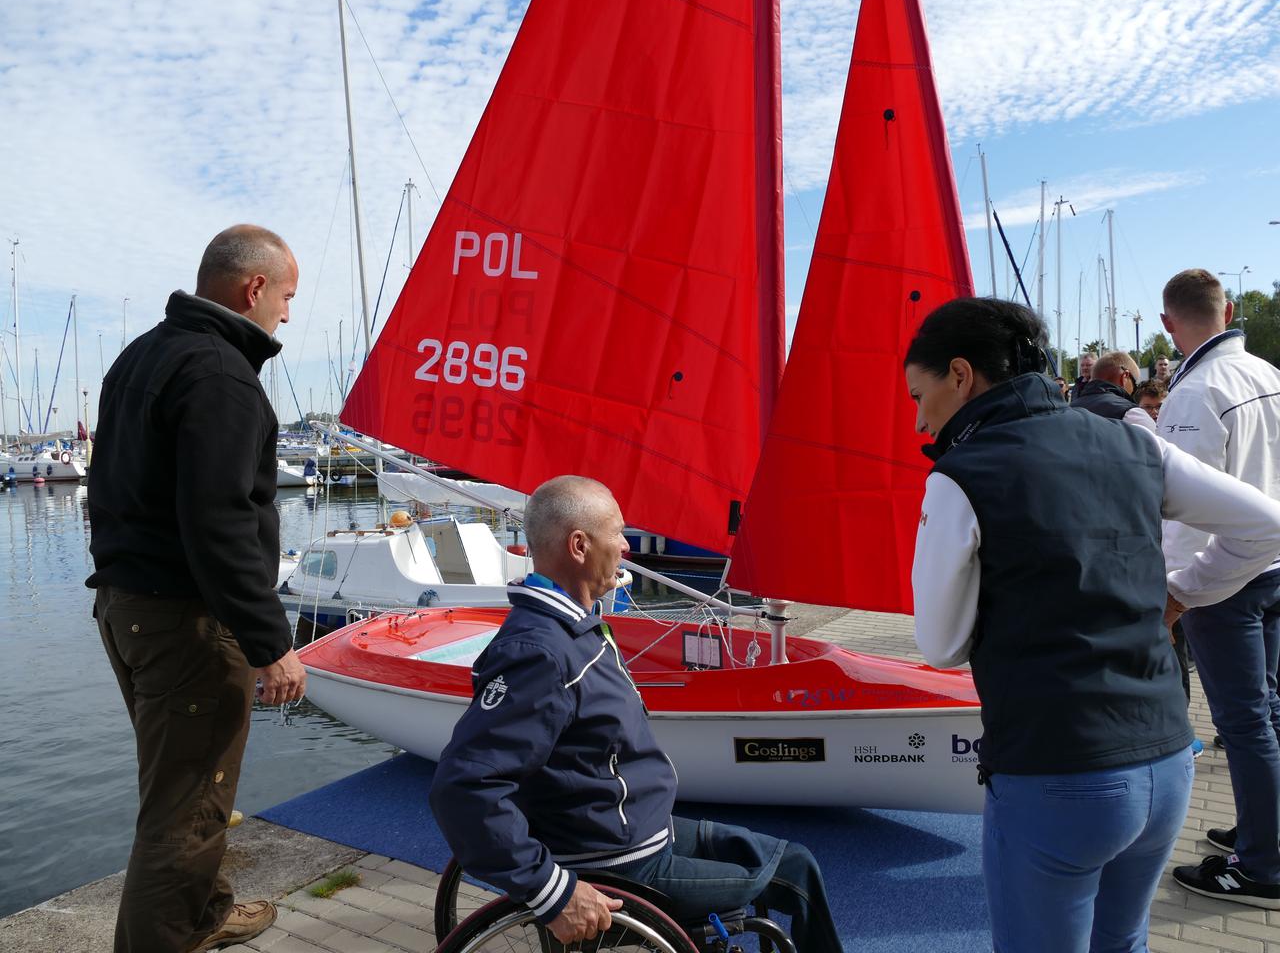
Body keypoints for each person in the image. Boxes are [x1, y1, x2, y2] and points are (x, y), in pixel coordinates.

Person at [905, 297, 1280, 948]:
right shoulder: (1134, 443)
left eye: (919, 393)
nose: (919, 417)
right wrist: (1180, 595)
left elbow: (940, 645)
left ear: (961, 375)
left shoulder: (961, 475)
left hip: (1057, 772)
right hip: (1166, 763)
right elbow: (1266, 525)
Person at [431, 475, 843, 951]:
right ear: (579, 545)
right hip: (621, 862)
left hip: (644, 829)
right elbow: (463, 787)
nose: (627, 546)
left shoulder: (571, 627)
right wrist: (551, 892)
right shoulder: (540, 653)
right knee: (795, 878)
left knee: (798, 862)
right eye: (618, 533)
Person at [87, 225, 307, 952]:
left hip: (130, 605)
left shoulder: (142, 355)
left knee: (190, 786)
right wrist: (270, 641)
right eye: (286, 297)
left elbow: (118, 491)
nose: (285, 313)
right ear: (254, 289)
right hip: (186, 621)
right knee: (183, 810)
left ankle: (205, 915)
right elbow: (217, 523)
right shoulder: (219, 373)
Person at [1157, 268, 1280, 908]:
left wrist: (1175, 596)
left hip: (1225, 578)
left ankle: (1263, 865)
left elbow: (1183, 515)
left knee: (1246, 722)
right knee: (1267, 713)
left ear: (1167, 322)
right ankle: (1267, 831)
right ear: (1227, 308)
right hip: (1272, 569)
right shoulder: (1267, 374)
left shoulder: (1194, 392)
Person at [1069, 350, 1156, 430]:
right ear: (1125, 377)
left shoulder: (1067, 411)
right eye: (1134, 384)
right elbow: (1154, 445)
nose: (1134, 389)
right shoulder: (1132, 415)